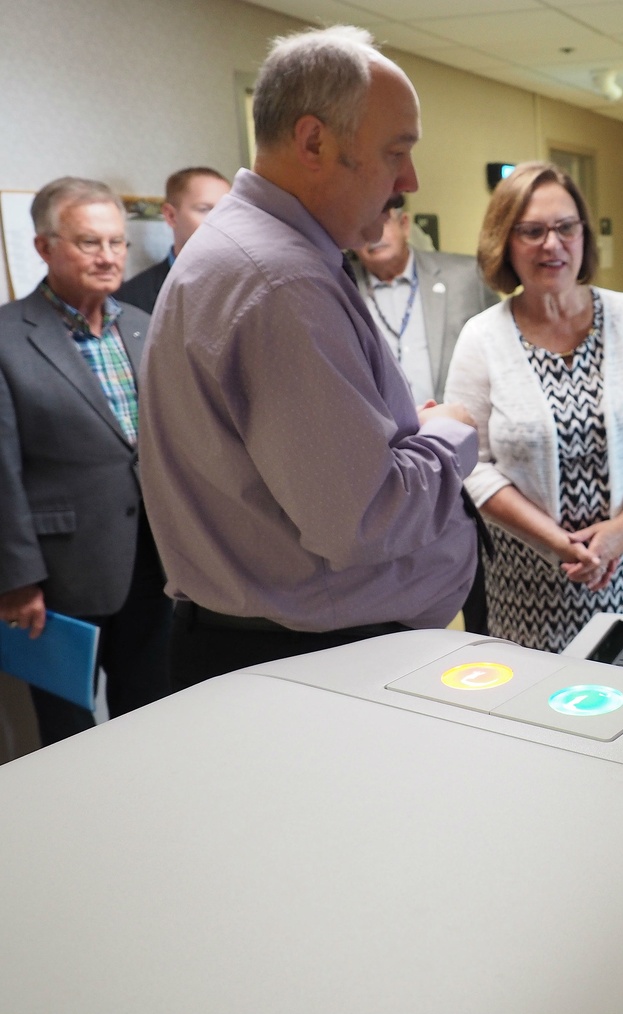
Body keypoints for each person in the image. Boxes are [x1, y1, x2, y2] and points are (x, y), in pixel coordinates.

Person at [139, 25, 483, 688]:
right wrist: (450, 433)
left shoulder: (239, 253)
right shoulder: (282, 283)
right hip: (311, 664)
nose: (409, 180)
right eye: (396, 152)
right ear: (314, 142)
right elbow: (362, 520)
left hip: (274, 650)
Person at [444, 161, 623, 653]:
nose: (552, 244)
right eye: (532, 231)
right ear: (505, 242)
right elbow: (469, 463)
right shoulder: (483, 337)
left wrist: (620, 534)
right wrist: (556, 544)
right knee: (541, 720)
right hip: (531, 588)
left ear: (583, 235)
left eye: (565, 227)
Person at [0, 177, 172, 744]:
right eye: (89, 243)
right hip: (58, 578)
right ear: (44, 247)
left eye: (117, 243)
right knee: (70, 735)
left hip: (154, 564)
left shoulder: (145, 327)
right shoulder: (7, 338)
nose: (108, 257)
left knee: (150, 716)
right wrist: (17, 578)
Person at [350, 198, 498, 404]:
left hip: (459, 427)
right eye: (363, 226)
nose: (374, 235)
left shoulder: (467, 277)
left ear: (405, 225)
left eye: (383, 221)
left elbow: (501, 355)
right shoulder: (343, 290)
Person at [116, 167, 230, 313]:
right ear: (171, 216)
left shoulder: (253, 283)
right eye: (205, 209)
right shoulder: (132, 297)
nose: (220, 220)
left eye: (226, 210)